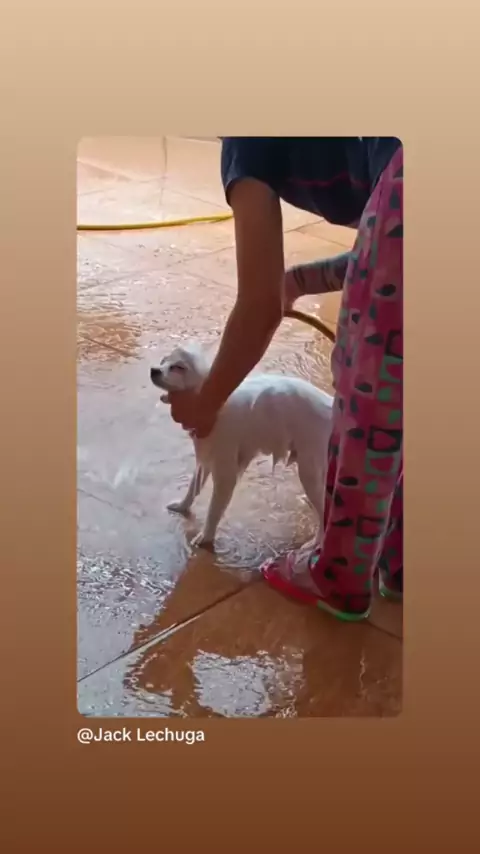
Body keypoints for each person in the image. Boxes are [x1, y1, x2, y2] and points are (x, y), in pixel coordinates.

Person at [167, 137, 403, 622]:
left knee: (371, 406)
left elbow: (258, 308)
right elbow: (380, 252)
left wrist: (205, 404)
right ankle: (402, 559)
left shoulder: (247, 136)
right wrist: (297, 281)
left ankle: (339, 574)